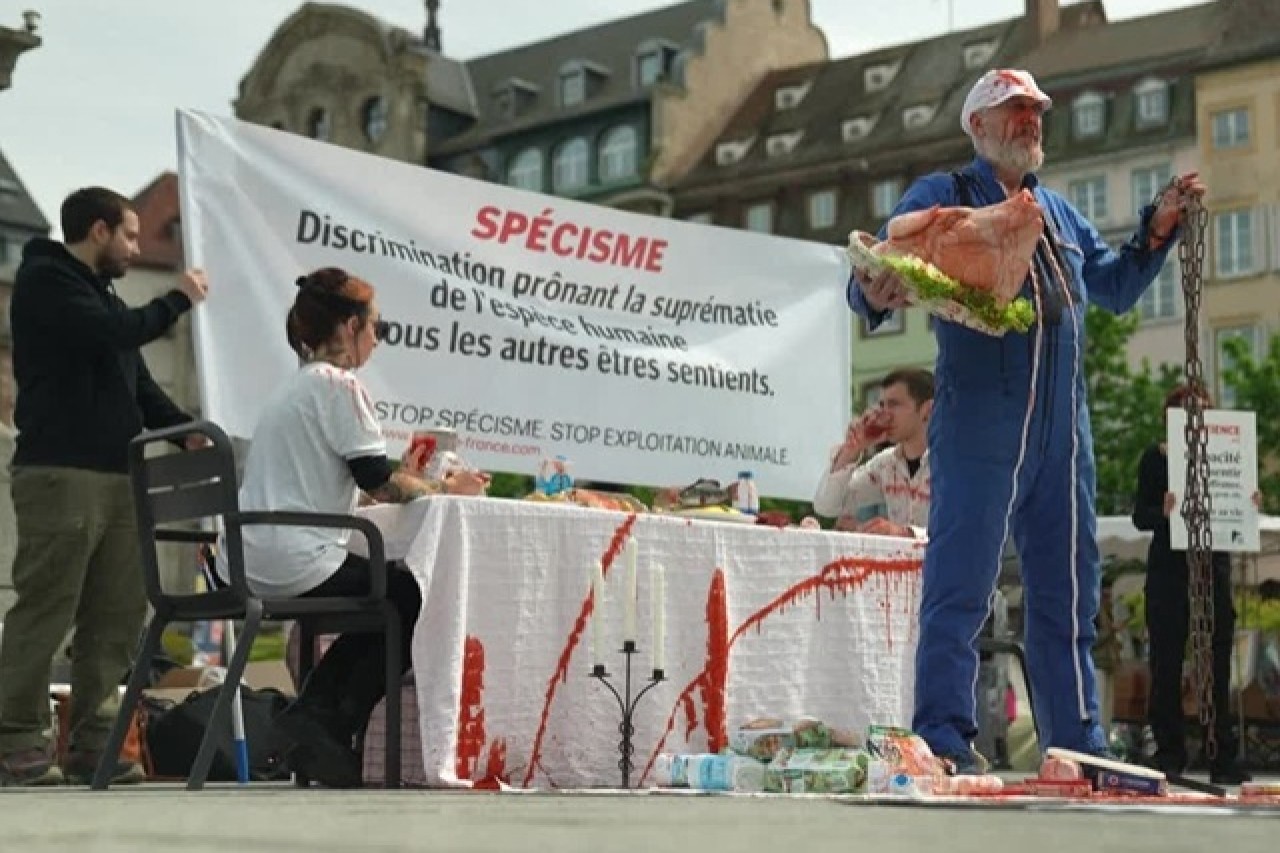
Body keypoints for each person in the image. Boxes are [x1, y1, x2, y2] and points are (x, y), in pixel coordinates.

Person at [847, 68, 1205, 771]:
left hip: (1064, 434)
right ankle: (945, 736)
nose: (1030, 122)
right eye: (1014, 111)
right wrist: (870, 289)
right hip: (982, 423)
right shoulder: (944, 196)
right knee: (961, 584)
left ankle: (1076, 741)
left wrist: (1157, 228)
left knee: (1069, 592)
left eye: (1036, 111)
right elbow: (875, 270)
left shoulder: (1061, 214)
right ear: (977, 126)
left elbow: (1113, 285)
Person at [224, 267, 487, 788]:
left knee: (389, 593)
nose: (376, 341)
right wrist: (445, 489)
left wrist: (408, 474)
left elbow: (355, 481)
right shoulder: (341, 386)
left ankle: (318, 718)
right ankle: (327, 719)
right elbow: (379, 482)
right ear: (348, 328)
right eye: (376, 328)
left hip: (252, 555)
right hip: (296, 558)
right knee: (415, 593)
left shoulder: (293, 390)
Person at [0, 187, 209, 786]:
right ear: (97, 231)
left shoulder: (101, 295)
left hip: (119, 475)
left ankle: (95, 743)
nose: (136, 247)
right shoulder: (48, 283)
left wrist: (185, 432)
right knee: (48, 606)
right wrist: (178, 298)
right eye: (130, 236)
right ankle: (16, 740)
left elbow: (136, 381)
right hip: (60, 474)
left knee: (116, 615)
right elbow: (114, 334)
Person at [1132, 385, 1252, 784]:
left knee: (1216, 662)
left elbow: (1234, 508)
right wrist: (1162, 511)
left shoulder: (1225, 456)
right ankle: (1170, 751)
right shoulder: (1156, 457)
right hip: (1169, 571)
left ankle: (1221, 754)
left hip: (1211, 569)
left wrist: (1247, 505)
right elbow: (1140, 516)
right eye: (1187, 412)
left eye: (1202, 411)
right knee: (1166, 662)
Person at [813, 368, 933, 538]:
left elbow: (968, 532)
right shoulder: (886, 464)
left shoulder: (955, 463)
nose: (885, 414)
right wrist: (852, 449)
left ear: (927, 410)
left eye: (894, 404)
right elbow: (827, 506)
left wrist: (906, 533)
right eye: (882, 405)